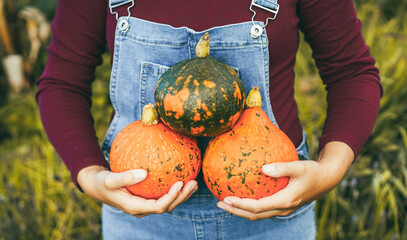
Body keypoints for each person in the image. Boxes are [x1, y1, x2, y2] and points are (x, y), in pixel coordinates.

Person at [36, 0, 382, 239]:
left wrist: (329, 171)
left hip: (274, 206)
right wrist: (90, 175)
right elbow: (62, 84)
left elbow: (352, 73)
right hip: (138, 215)